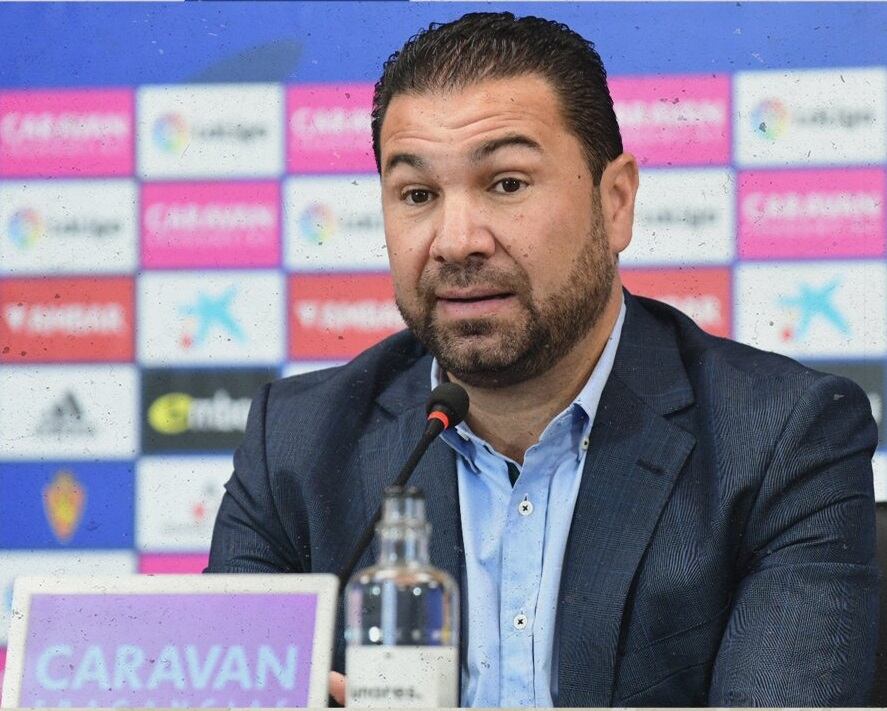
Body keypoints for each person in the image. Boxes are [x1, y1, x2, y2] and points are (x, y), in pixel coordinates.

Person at [207, 11, 879, 707]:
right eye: (417, 195)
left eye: (506, 184)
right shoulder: (295, 442)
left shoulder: (779, 436)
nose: (456, 240)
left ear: (614, 202)